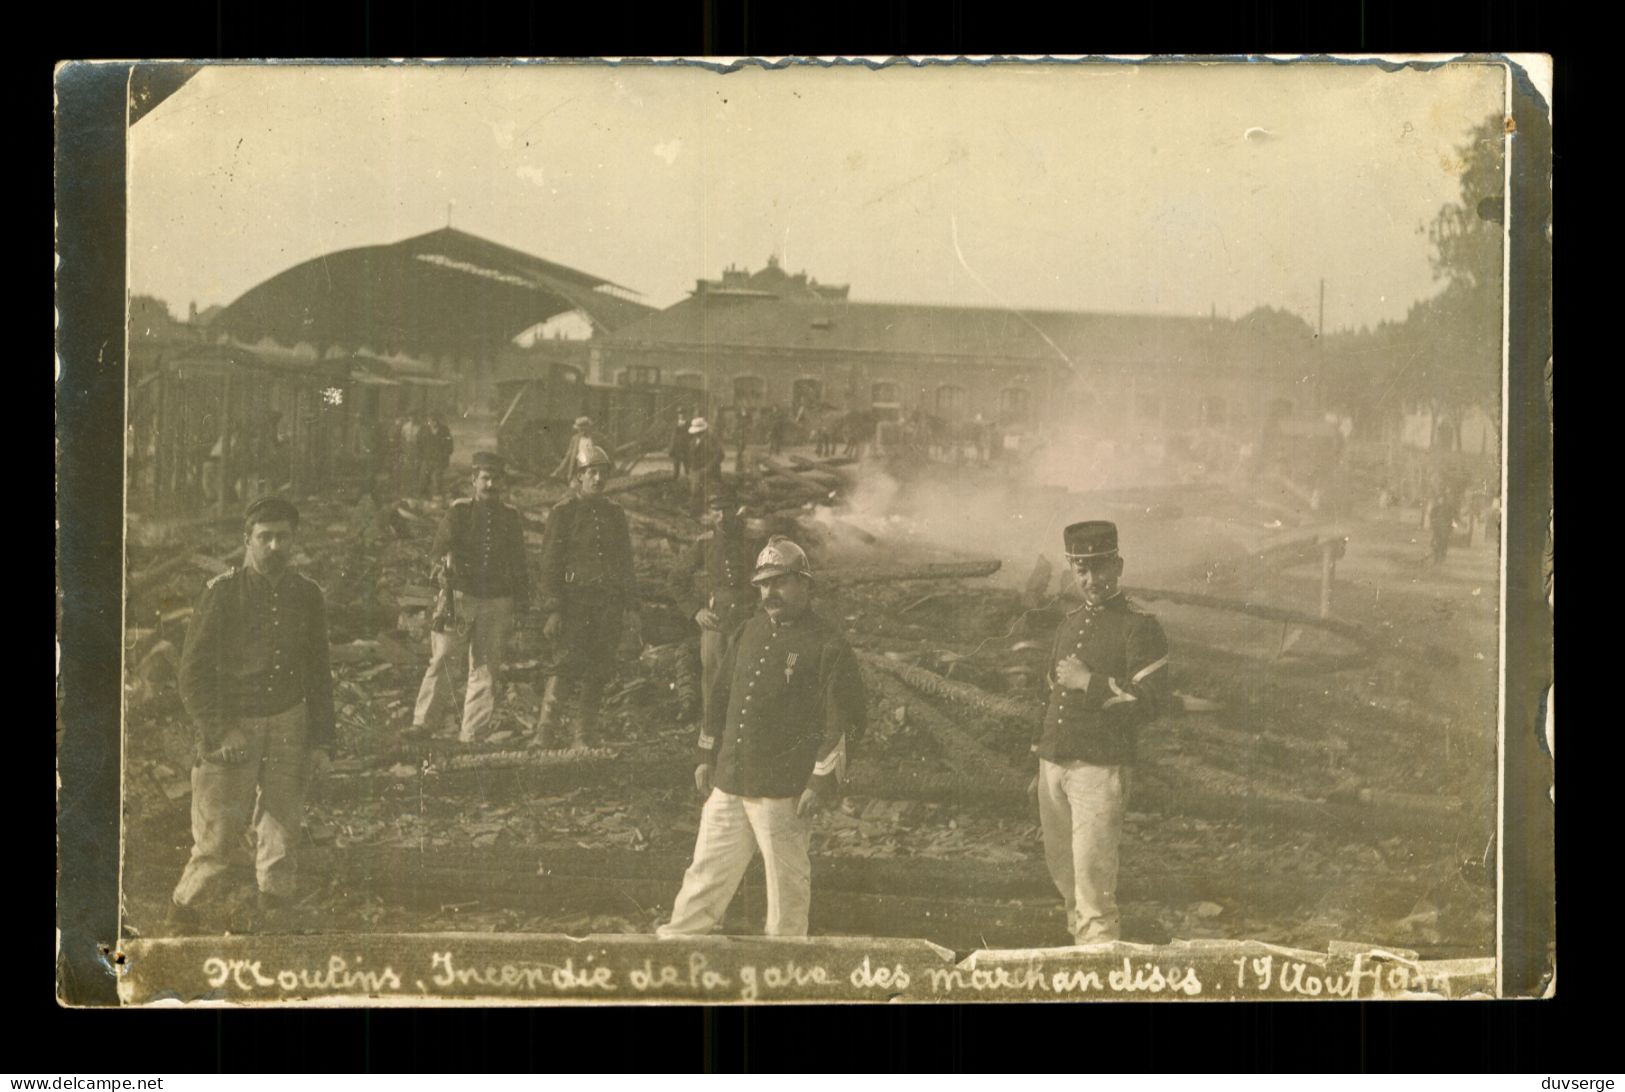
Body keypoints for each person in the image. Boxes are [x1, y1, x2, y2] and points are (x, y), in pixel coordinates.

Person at [658, 536, 866, 938]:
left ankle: (785, 965)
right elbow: (719, 698)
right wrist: (705, 755)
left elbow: (847, 721)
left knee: (785, 885)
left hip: (783, 788)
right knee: (706, 870)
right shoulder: (748, 631)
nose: (771, 593)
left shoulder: (827, 643)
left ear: (805, 584)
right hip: (731, 778)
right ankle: (679, 945)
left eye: (781, 582)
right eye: (764, 584)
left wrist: (820, 781)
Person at [168, 496, 335, 932]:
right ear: (247, 541)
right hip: (234, 727)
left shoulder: (307, 594)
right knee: (218, 834)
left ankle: (274, 912)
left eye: (284, 537)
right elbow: (192, 674)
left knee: (282, 824)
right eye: (265, 537)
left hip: (289, 723)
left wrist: (321, 741)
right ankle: (182, 914)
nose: (275, 546)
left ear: (294, 541)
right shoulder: (221, 593)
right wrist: (221, 729)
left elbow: (319, 673)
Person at [1032, 520, 1169, 944]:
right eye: (1081, 569)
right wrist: (1044, 761)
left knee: (1093, 887)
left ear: (1119, 566)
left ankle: (1099, 975)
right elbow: (1053, 696)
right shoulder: (1069, 623)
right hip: (1054, 765)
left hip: (1099, 768)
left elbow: (1150, 702)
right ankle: (1081, 965)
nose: (1091, 580)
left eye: (1100, 568)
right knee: (1067, 880)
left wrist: (1089, 682)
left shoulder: (1139, 627)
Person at [410, 451, 529, 743]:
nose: (490, 484)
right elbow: (440, 547)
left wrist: (521, 604)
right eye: (485, 479)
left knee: (486, 667)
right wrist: (442, 567)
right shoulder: (459, 512)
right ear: (474, 481)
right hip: (459, 599)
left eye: (496, 479)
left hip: (497, 601)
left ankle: (472, 733)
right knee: (443, 659)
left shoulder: (511, 517)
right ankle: (423, 724)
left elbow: (519, 562)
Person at [536, 443, 640, 749]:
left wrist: (631, 606)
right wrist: (553, 608)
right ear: (579, 477)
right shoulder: (563, 513)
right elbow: (550, 563)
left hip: (607, 606)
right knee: (564, 665)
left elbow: (625, 563)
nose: (597, 479)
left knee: (599, 668)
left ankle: (584, 735)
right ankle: (545, 732)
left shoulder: (615, 514)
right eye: (591, 473)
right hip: (573, 606)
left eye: (602, 473)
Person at [667, 484, 757, 729]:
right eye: (716, 511)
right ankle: (712, 736)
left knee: (750, 677)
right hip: (716, 620)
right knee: (714, 679)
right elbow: (676, 579)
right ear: (710, 513)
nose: (722, 517)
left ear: (736, 510)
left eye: (727, 510)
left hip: (750, 618)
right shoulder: (705, 543)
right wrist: (696, 611)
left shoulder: (753, 540)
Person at [687, 416, 726, 517]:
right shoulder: (693, 440)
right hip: (696, 471)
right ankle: (695, 516)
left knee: (712, 496)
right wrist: (691, 470)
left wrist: (708, 468)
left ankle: (709, 518)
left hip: (709, 472)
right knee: (695, 493)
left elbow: (720, 455)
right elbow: (691, 456)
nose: (695, 433)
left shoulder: (711, 439)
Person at [552, 416, 598, 481]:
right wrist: (558, 471)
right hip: (578, 468)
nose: (582, 431)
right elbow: (568, 456)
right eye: (580, 429)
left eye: (584, 429)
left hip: (592, 467)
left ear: (589, 428)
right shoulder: (575, 439)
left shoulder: (595, 438)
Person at [671, 409, 692, 481]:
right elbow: (672, 437)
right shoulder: (674, 423)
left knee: (687, 465)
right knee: (676, 465)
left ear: (686, 414)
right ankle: (674, 480)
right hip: (676, 447)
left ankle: (689, 480)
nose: (682, 415)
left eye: (683, 413)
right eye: (680, 413)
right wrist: (671, 447)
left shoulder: (689, 423)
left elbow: (691, 436)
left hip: (685, 447)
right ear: (678, 415)